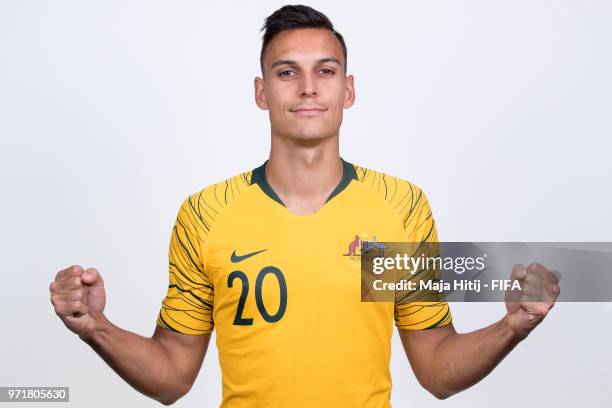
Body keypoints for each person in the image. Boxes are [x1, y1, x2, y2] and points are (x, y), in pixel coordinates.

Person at [49, 5, 560, 407]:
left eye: (326, 70)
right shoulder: (205, 214)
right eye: (287, 72)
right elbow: (172, 377)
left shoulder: (399, 207)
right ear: (261, 91)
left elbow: (436, 369)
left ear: (348, 89)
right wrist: (95, 327)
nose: (309, 88)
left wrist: (512, 326)